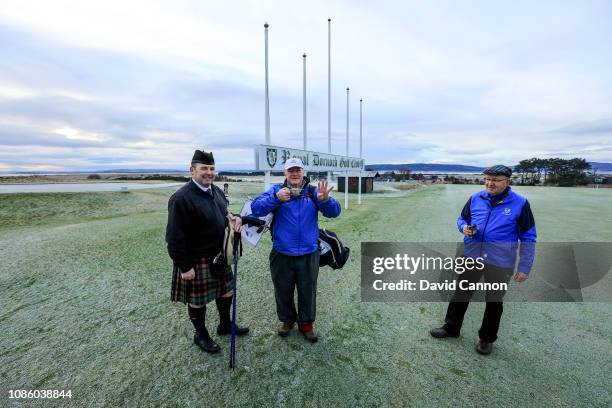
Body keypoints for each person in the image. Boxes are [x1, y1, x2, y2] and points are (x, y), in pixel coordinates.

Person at [430, 165, 537, 355]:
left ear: (507, 181)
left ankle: (487, 339)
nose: (490, 183)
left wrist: (524, 267)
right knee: (460, 293)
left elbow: (528, 237)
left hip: (500, 261)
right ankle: (451, 327)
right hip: (471, 256)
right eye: (487, 179)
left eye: (495, 180)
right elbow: (461, 219)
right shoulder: (475, 198)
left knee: (494, 301)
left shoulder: (520, 203)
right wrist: (463, 228)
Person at [166, 149, 249, 354]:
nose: (209, 172)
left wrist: (236, 217)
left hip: (220, 255)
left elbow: (224, 214)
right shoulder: (181, 199)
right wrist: (185, 267)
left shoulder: (216, 191)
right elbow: (174, 238)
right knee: (198, 301)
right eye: (204, 168)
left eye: (212, 168)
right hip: (196, 260)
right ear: (192, 170)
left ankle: (224, 325)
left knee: (227, 291)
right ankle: (201, 335)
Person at [251, 158, 340, 343]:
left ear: (303, 172)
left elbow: (334, 212)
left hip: (308, 253)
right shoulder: (277, 191)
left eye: (297, 170)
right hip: (282, 253)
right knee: (282, 290)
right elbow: (256, 208)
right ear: (285, 173)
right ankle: (287, 321)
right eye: (290, 170)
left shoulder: (313, 192)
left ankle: (306, 325)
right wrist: (276, 199)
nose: (294, 174)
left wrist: (326, 200)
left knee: (308, 290)